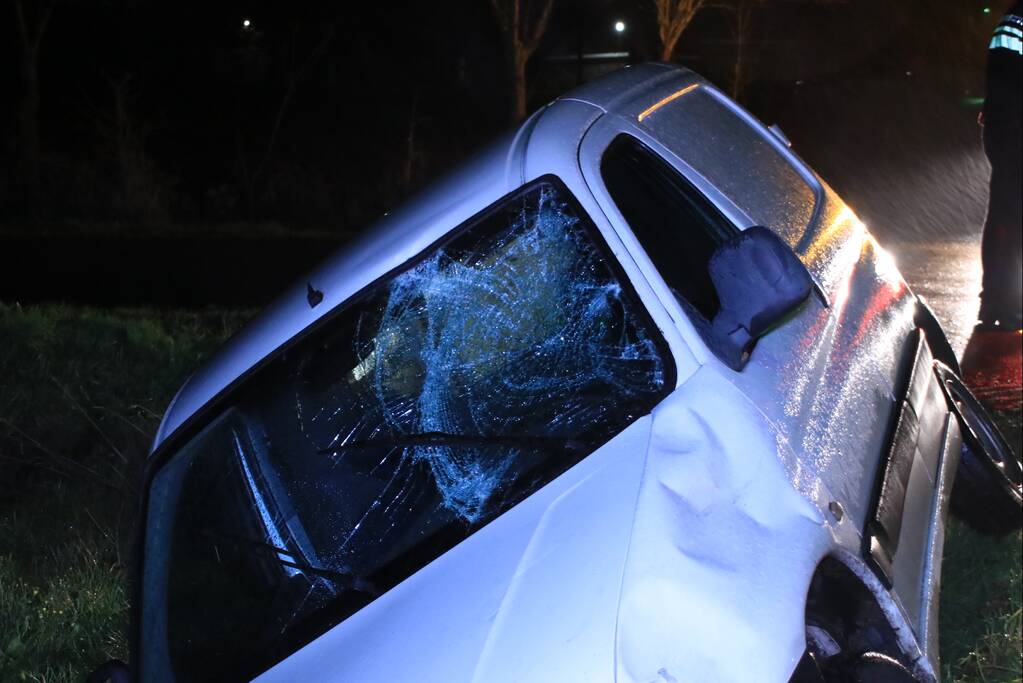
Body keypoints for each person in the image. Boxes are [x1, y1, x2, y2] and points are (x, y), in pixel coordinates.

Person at [978, 0, 1023, 330]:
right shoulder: (1017, 22)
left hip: (1007, 131)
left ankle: (998, 301)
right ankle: (1004, 304)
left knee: (1006, 217)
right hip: (1013, 134)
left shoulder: (1013, 20)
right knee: (1011, 219)